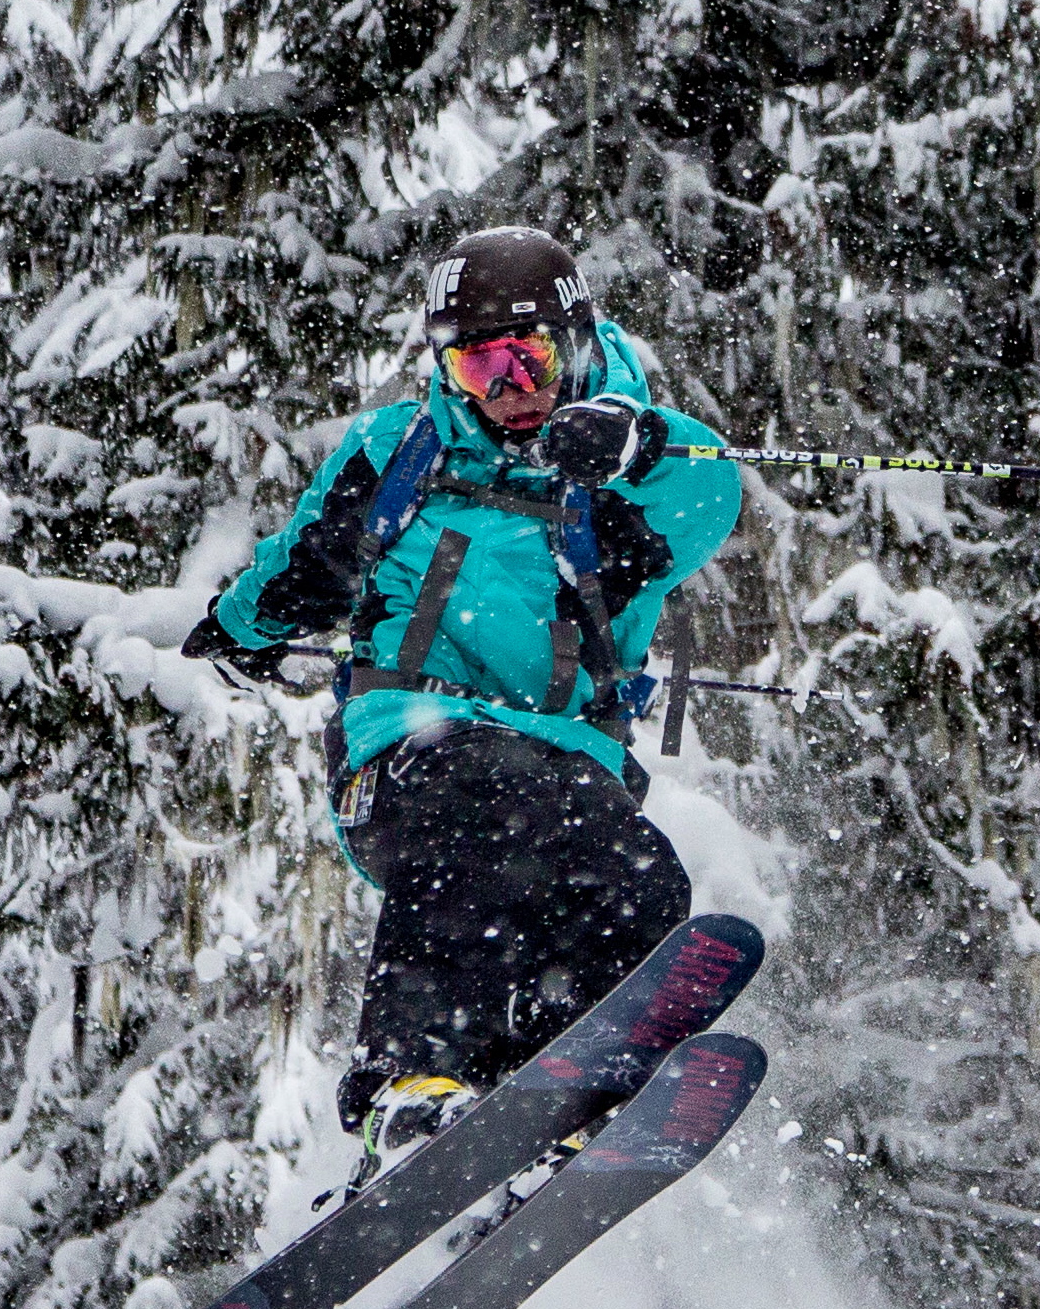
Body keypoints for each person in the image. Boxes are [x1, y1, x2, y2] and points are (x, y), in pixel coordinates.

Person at [184, 227, 742, 1169]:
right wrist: (238, 628)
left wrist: (637, 443)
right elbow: (303, 565)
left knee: (639, 878)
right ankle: (408, 1079)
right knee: (477, 799)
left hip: (569, 761)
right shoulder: (400, 453)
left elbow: (707, 498)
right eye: (478, 364)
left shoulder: (619, 479)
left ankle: (553, 1093)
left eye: (530, 357)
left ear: (576, 343)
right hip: (408, 747)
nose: (509, 386)